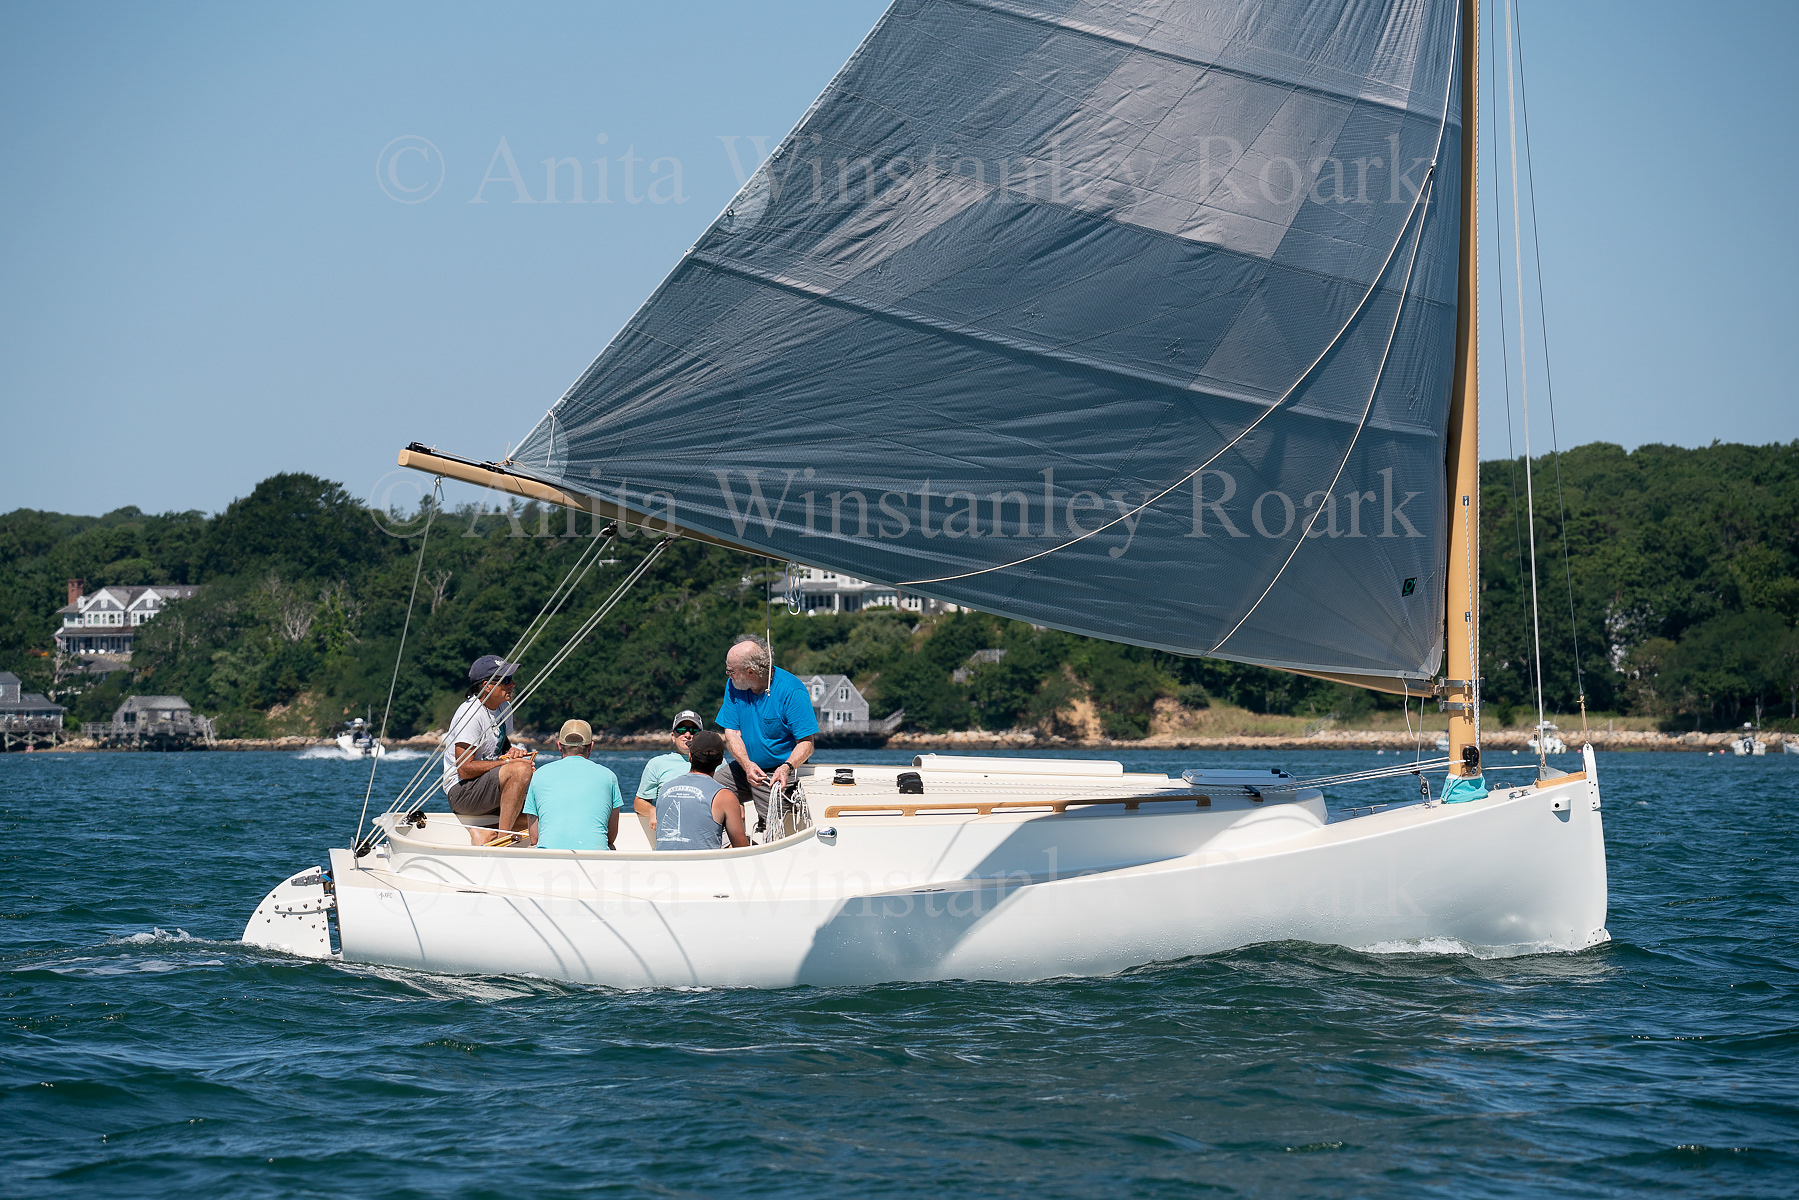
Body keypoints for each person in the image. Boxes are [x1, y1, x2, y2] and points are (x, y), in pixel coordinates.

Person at [714, 634, 817, 837]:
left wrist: (786, 767)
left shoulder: (791, 691)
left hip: (779, 770)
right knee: (713, 787)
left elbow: (807, 743)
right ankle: (731, 842)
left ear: (751, 672)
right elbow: (731, 732)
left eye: (731, 671)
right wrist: (746, 764)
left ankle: (770, 839)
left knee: (775, 822)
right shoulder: (734, 686)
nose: (728, 675)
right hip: (747, 766)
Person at [444, 654, 535, 844]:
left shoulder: (504, 707)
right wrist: (510, 764)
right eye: (506, 680)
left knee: (545, 809)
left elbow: (501, 742)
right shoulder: (471, 714)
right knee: (520, 770)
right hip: (463, 792)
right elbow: (464, 769)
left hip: (487, 788)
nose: (513, 684)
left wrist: (512, 752)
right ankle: (502, 841)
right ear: (488, 686)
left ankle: (486, 833)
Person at [522, 719, 624, 850]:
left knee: (533, 846)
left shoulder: (539, 775)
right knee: (611, 846)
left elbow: (534, 837)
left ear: (559, 746)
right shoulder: (609, 776)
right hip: (595, 857)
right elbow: (611, 837)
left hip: (550, 857)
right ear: (591, 746)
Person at [656, 730, 748, 850]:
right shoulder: (725, 796)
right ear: (721, 761)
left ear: (690, 757)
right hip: (703, 862)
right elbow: (742, 850)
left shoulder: (665, 789)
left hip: (663, 861)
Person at [633, 710, 704, 838]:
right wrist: (651, 810)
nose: (687, 734)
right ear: (673, 736)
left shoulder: (717, 761)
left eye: (694, 730)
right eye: (681, 730)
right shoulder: (656, 764)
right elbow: (639, 803)